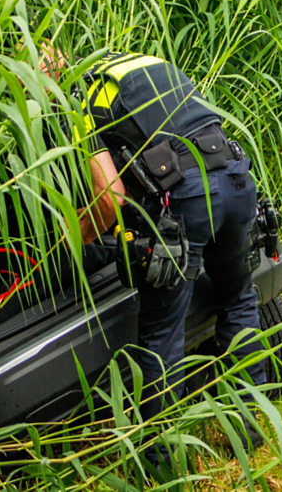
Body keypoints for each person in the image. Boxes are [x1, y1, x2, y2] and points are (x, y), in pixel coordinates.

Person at [40, 46, 269, 460]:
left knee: (163, 332)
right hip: (236, 177)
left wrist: (71, 238)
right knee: (239, 300)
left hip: (191, 196)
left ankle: (163, 461)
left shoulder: (76, 100)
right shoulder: (127, 64)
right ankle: (250, 433)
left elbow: (111, 199)